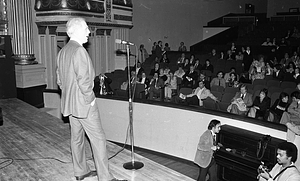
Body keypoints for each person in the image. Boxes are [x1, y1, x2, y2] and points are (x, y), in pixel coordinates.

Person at [56, 17, 126, 181]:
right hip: (84, 105)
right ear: (78, 30)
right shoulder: (79, 51)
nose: (89, 32)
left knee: (77, 139)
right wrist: (90, 99)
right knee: (99, 139)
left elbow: (60, 81)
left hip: (70, 105)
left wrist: (71, 96)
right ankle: (105, 178)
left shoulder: (63, 51)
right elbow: (84, 81)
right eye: (86, 28)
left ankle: (80, 171)